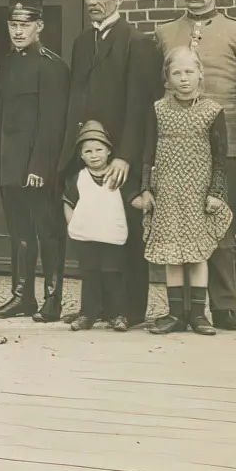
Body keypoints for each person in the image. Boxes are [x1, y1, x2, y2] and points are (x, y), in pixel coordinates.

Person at [155, 0, 236, 331]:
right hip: (175, 148)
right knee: (176, 225)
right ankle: (182, 310)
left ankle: (223, 307)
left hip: (224, 147)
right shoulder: (166, 33)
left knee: (218, 226)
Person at [62, 0, 163, 325]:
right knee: (94, 235)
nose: (92, 2)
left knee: (125, 235)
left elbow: (141, 108)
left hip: (122, 158)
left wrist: (125, 157)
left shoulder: (137, 42)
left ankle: (129, 310)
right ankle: (96, 308)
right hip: (89, 158)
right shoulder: (81, 43)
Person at [132, 48, 231, 336]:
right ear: (167, 78)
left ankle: (198, 315)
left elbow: (220, 157)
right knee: (172, 253)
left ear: (200, 73)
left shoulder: (213, 111)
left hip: (198, 192)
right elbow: (148, 151)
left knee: (197, 253)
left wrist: (216, 191)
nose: (183, 78)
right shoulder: (158, 109)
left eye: (189, 72)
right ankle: (176, 313)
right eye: (177, 73)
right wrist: (146, 188)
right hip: (167, 190)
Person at [0, 0, 69, 321]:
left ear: (40, 26)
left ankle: (53, 299)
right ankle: (22, 296)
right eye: (13, 25)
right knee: (18, 231)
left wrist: (38, 166)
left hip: (38, 166)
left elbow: (52, 122)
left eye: (25, 25)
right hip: (9, 163)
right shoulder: (5, 64)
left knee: (48, 230)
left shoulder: (52, 66)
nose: (19, 31)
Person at [63, 122, 136, 331]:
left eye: (99, 150)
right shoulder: (79, 178)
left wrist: (144, 199)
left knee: (114, 275)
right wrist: (74, 225)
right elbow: (68, 202)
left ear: (109, 151)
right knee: (90, 275)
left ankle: (118, 314)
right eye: (88, 151)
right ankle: (88, 314)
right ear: (82, 155)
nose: (94, 155)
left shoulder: (117, 175)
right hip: (87, 237)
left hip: (112, 235)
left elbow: (131, 198)